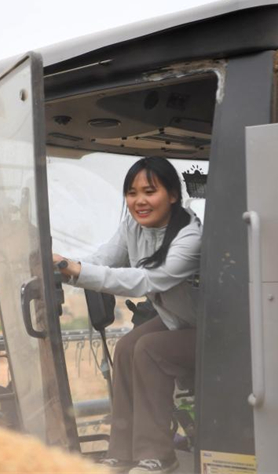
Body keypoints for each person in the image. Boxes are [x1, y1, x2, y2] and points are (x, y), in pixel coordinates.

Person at [53, 156, 201, 474]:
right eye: (132, 193)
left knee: (149, 351)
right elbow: (105, 258)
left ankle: (158, 457)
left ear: (173, 195)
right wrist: (62, 266)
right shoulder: (134, 226)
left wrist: (74, 271)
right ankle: (122, 452)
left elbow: (146, 281)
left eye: (150, 191)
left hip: (219, 329)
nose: (139, 200)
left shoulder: (190, 237)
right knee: (126, 348)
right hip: (181, 320)